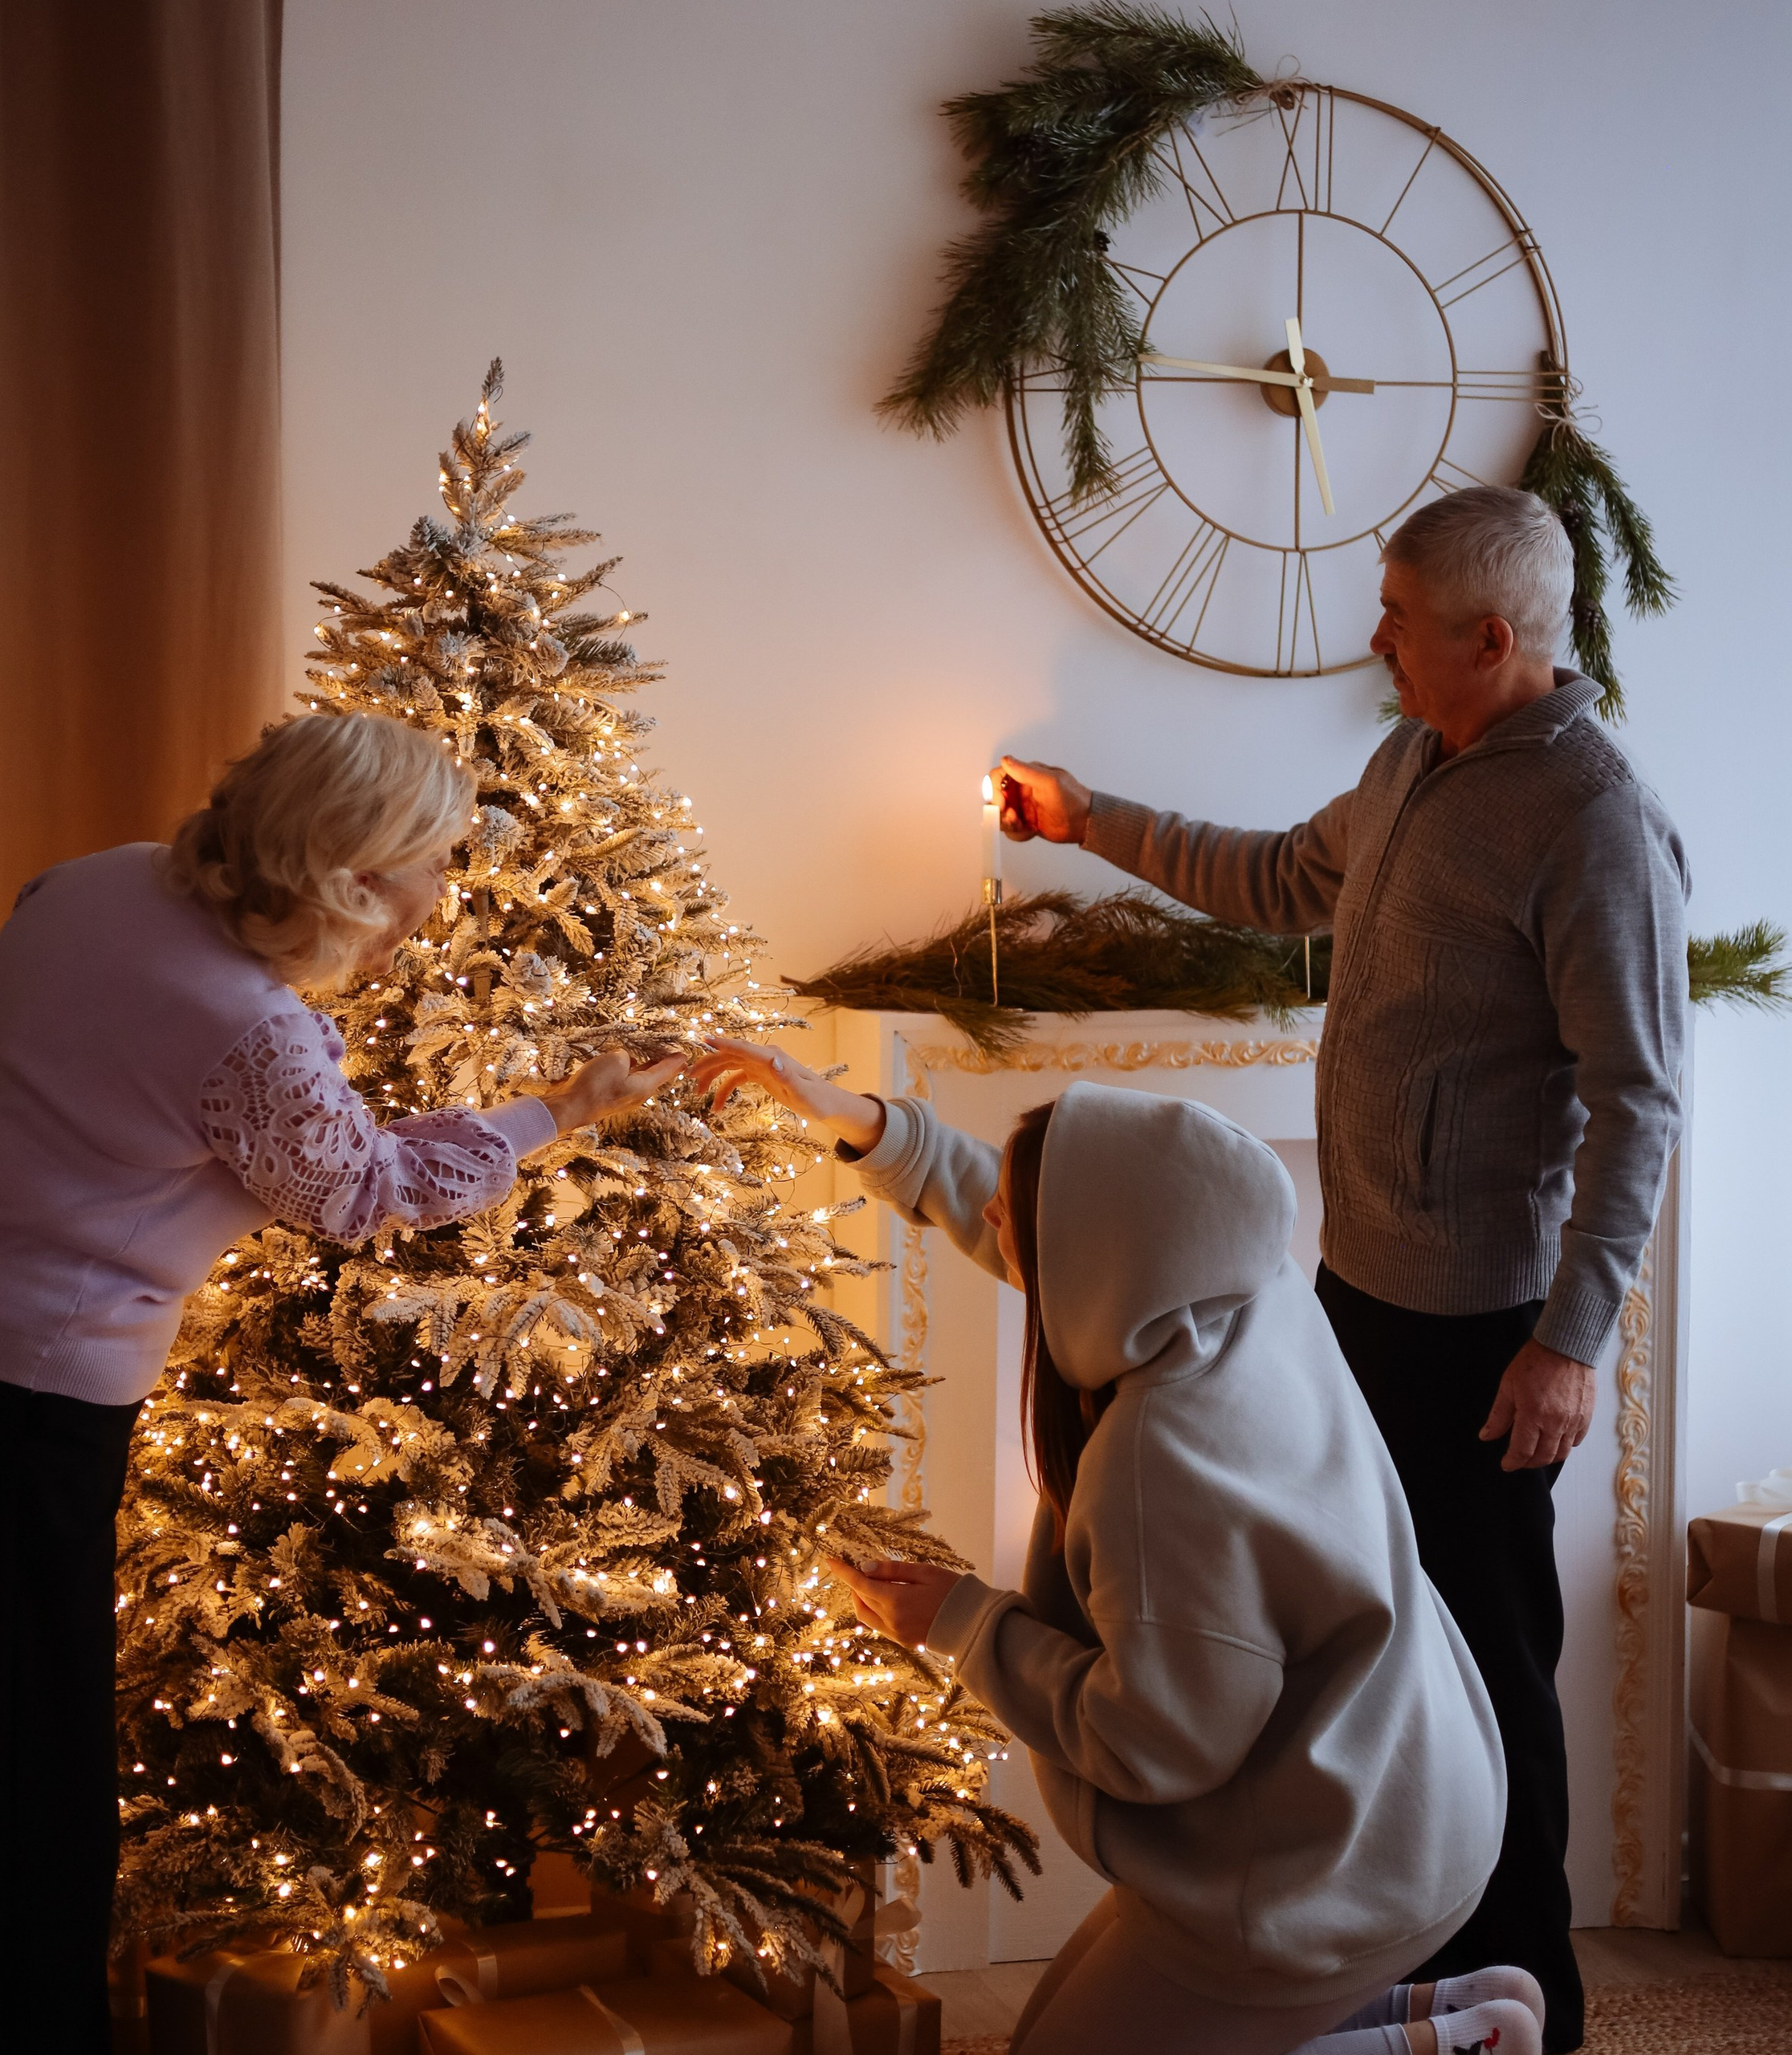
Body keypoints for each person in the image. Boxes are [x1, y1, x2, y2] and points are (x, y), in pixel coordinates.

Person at [0, 711, 681, 2055]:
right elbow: (361, 1191)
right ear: (344, 881)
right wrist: (558, 1111)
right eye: (427, 870)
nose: (439, 898)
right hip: (8, 1391)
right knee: (16, 1766)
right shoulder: (250, 1029)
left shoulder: (100, 877)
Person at [996, 484, 1689, 2051]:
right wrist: (1079, 813)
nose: (1370, 637)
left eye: (1394, 615)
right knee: (1370, 1668)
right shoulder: (1404, 765)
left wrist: (1568, 1341)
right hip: (1355, 1294)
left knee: (1486, 1664)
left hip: (1491, 1329)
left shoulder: (1590, 820)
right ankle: (1399, 1963)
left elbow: (1638, 1099)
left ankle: (1537, 2001)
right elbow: (1266, 879)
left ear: (1487, 637)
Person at [689, 1038, 1539, 2055]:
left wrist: (960, 1620)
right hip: (1401, 1781)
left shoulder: (1162, 1459)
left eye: (1014, 1218)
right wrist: (860, 1120)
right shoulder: (1239, 1288)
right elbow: (1040, 1223)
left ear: (1081, 1250)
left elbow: (1160, 1740)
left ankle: (1443, 2049)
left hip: (1330, 1864)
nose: (994, 1225)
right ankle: (1447, 2012)